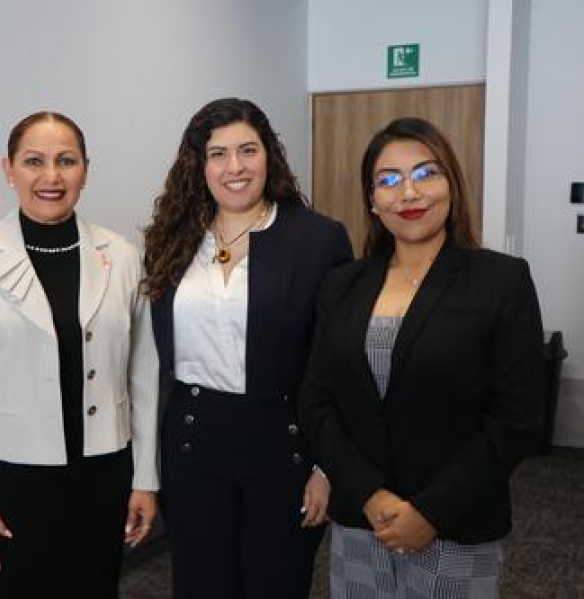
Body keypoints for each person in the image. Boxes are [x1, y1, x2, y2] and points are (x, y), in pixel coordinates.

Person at [300, 117, 545, 598]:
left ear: (452, 184)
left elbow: (516, 419)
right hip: (362, 523)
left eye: (426, 173)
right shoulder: (341, 286)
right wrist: (368, 494)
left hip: (455, 524)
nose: (408, 192)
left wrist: (431, 512)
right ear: (372, 200)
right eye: (388, 180)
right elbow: (317, 403)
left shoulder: (501, 281)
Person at [0, 111, 159, 599]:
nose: (51, 176)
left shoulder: (122, 255)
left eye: (66, 161)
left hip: (103, 473)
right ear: (8, 169)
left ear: (85, 170)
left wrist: (145, 479)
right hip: (8, 480)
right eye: (34, 161)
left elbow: (144, 375)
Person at [142, 98, 353, 598]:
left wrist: (327, 468)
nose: (234, 167)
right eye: (218, 154)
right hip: (191, 444)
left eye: (247, 150)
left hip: (284, 446)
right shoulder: (172, 238)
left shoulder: (318, 239)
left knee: (275, 584)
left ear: (269, 156)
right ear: (199, 164)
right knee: (201, 585)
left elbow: (340, 362)